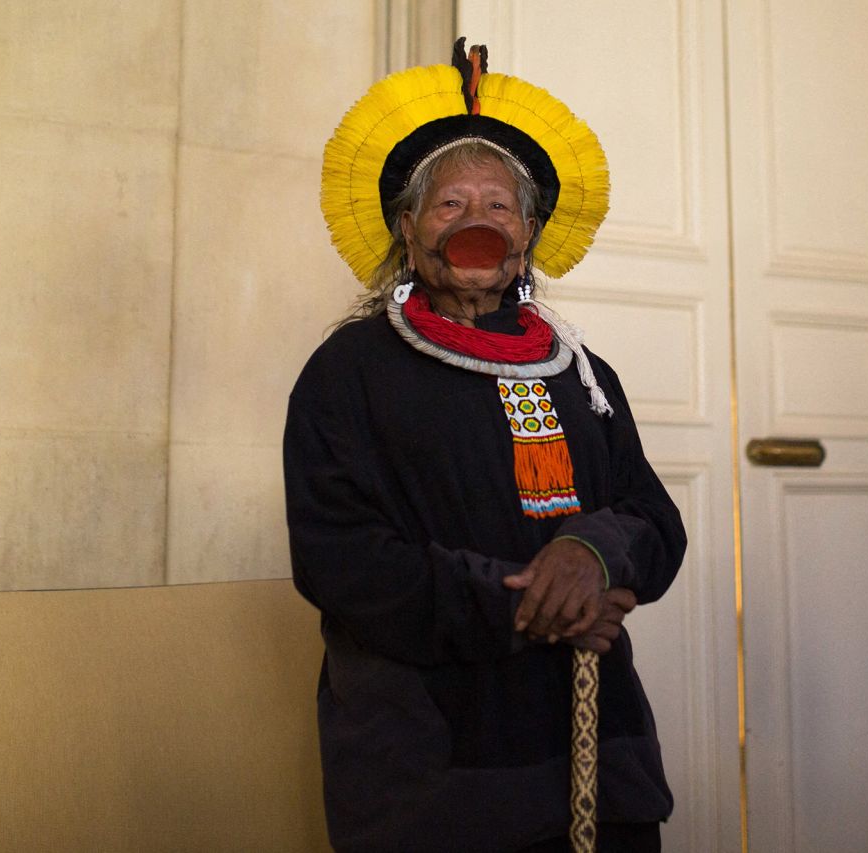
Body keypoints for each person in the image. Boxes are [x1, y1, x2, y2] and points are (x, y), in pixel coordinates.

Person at [284, 40, 686, 852]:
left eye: (499, 206)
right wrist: (529, 603)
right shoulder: (349, 372)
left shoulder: (583, 374)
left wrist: (594, 552)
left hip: (596, 760)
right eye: (449, 204)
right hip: (432, 775)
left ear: (529, 232)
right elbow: (340, 559)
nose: (477, 221)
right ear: (407, 227)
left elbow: (654, 519)